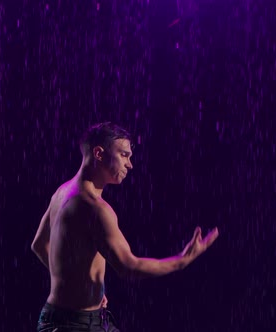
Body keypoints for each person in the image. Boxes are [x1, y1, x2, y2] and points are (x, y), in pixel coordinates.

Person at [31, 122, 219, 331]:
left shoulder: (62, 192)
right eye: (124, 155)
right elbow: (128, 266)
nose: (130, 164)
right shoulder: (94, 208)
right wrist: (182, 261)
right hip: (73, 326)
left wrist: (78, 286)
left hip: (75, 319)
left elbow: (39, 244)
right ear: (99, 153)